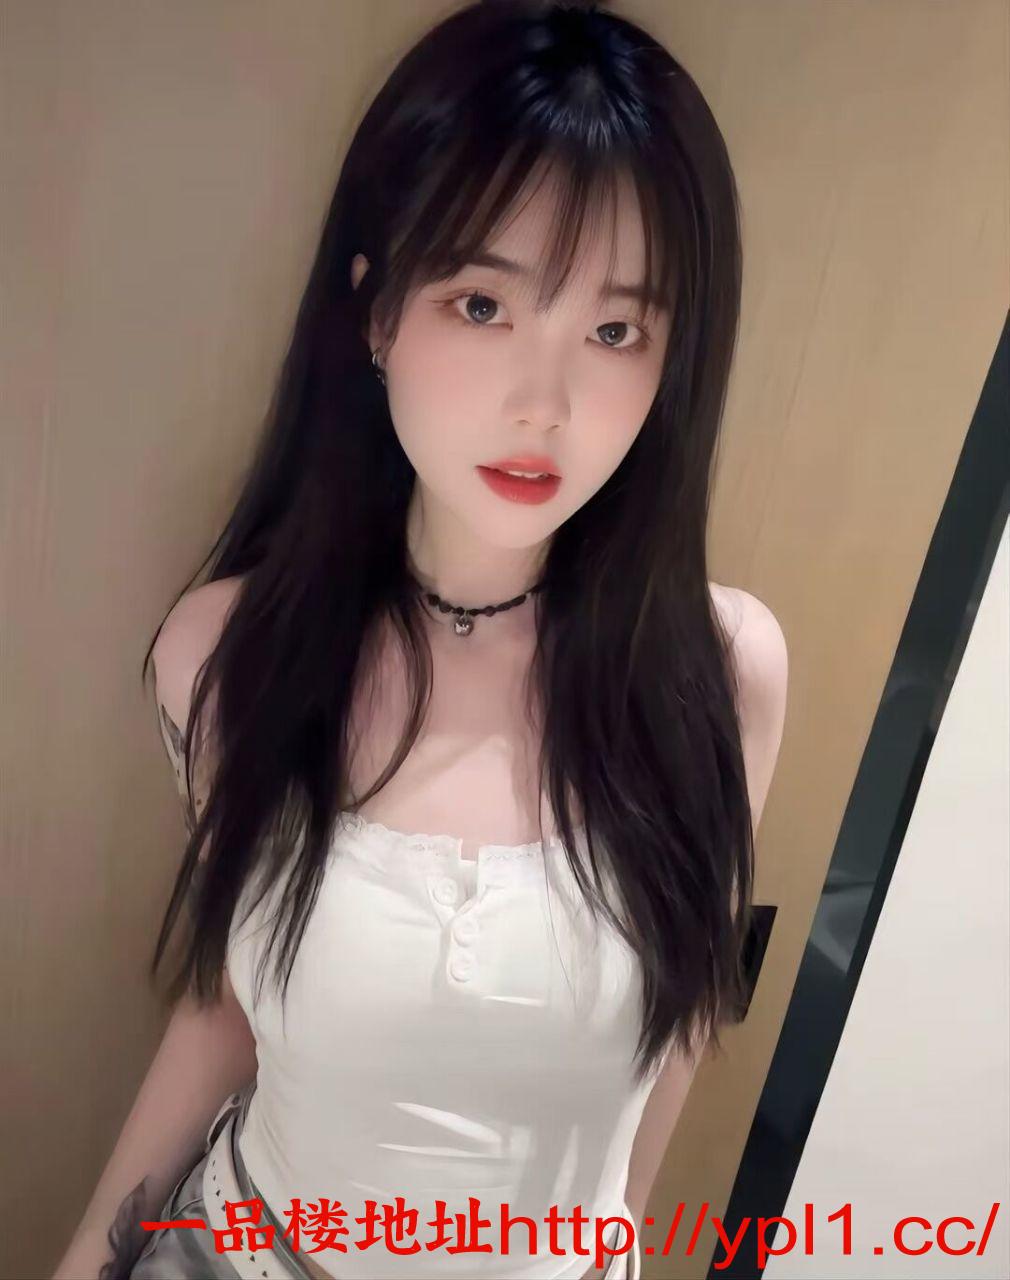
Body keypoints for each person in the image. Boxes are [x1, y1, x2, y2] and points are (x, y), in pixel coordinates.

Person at [53, 1, 788, 1277]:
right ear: (377, 311)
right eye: (481, 302)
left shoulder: (719, 672)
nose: (542, 403)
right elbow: (231, 1007)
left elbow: (672, 1044)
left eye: (613, 330)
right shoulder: (227, 653)